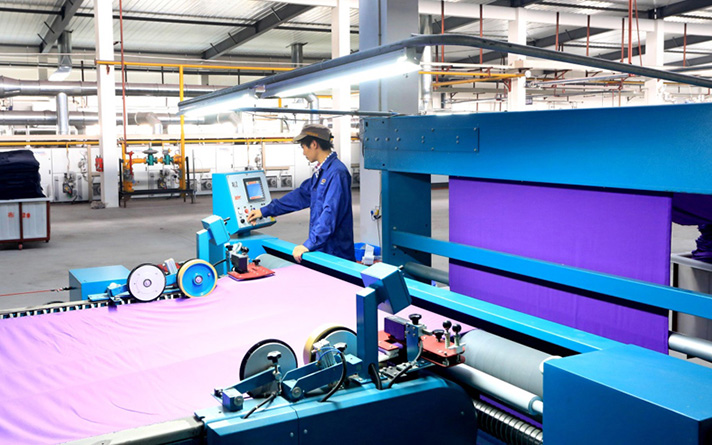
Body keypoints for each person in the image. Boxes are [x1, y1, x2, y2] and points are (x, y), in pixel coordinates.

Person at [247, 123, 355, 263]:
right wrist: (264, 211)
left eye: (303, 147)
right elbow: (299, 196)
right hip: (323, 249)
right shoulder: (322, 173)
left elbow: (330, 213)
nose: (303, 152)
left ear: (314, 144)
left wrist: (310, 244)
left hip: (336, 254)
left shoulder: (337, 173)